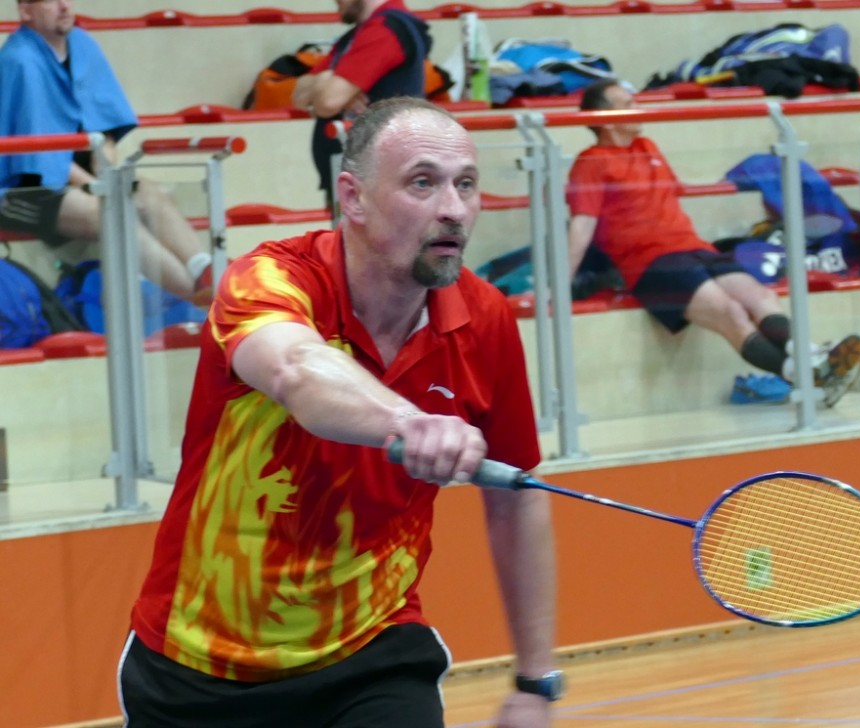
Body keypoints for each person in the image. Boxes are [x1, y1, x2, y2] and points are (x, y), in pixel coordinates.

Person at [118, 97, 560, 727]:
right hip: (197, 665)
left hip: (370, 653)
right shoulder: (269, 279)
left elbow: (517, 497)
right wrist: (409, 422)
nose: (454, 209)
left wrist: (535, 681)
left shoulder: (484, 319)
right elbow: (296, 369)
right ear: (353, 197)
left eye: (466, 185)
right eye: (423, 183)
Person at [565, 79, 860, 407]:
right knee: (731, 313)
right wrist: (559, 284)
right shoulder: (590, 163)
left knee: (761, 297)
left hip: (695, 248)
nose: (637, 108)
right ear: (606, 120)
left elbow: (674, 192)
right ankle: (807, 374)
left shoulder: (647, 146)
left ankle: (811, 357)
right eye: (627, 104)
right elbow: (582, 226)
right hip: (650, 264)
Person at [0, 0, 213, 305]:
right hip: (23, 188)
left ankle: (207, 273)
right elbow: (40, 153)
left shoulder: (82, 44)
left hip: (81, 178)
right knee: (112, 214)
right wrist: (100, 188)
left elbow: (105, 126)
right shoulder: (19, 60)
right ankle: (199, 295)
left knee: (153, 195)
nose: (64, 6)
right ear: (25, 12)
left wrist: (108, 170)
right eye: (51, 1)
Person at [292, 0, 431, 204]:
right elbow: (297, 94)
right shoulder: (357, 34)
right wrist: (326, 80)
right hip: (361, 177)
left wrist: (326, 88)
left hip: (375, 179)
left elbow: (328, 102)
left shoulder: (384, 30)